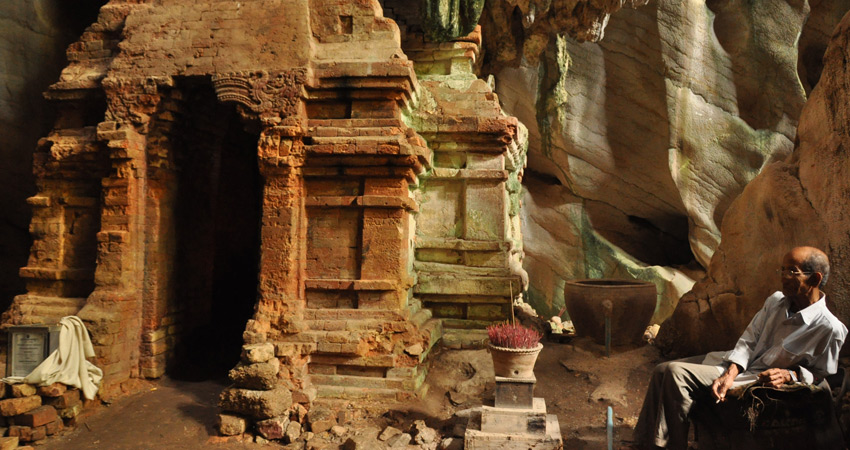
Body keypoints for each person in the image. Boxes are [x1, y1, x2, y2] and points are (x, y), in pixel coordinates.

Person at [627, 246, 848, 450]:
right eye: (782, 270)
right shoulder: (776, 301)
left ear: (815, 278)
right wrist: (731, 372)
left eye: (792, 271)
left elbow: (822, 376)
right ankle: (645, 443)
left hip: (756, 379)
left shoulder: (830, 328)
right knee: (661, 370)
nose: (783, 277)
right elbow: (750, 339)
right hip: (738, 366)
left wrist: (790, 374)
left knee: (676, 373)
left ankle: (670, 446)